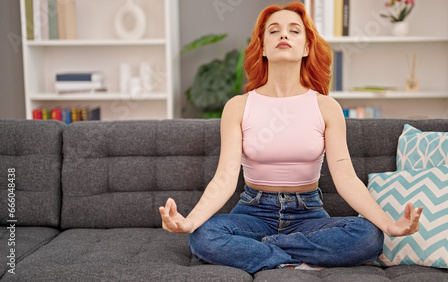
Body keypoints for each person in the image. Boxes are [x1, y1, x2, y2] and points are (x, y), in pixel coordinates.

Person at [159, 2, 423, 273]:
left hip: (308, 213)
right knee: (203, 237)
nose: (283, 35)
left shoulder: (326, 107)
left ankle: (266, 251)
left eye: (294, 31)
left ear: (307, 47)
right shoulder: (238, 106)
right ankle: (299, 259)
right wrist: (189, 222)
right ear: (262, 47)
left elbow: (346, 178)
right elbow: (225, 178)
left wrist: (389, 225)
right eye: (274, 31)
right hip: (253, 212)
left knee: (369, 236)